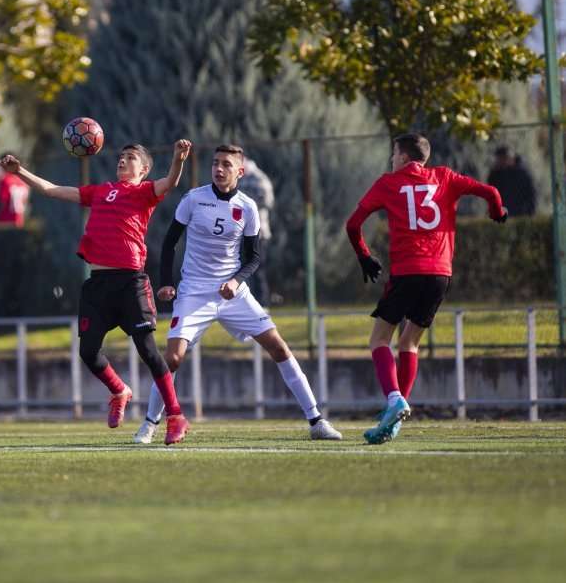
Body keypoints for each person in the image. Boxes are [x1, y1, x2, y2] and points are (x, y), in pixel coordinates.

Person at [133, 144, 342, 444]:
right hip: (194, 292)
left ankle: (317, 421)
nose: (219, 169)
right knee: (173, 358)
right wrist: (166, 282)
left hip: (234, 293)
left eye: (227, 165)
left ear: (240, 171)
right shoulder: (194, 199)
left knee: (279, 348)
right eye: (216, 163)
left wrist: (234, 281)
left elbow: (254, 258)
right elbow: (169, 244)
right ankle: (150, 424)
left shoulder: (248, 207)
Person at [0, 140, 193, 445]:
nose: (123, 160)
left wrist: (178, 159)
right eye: (121, 156)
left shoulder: (143, 192)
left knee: (149, 352)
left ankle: (176, 417)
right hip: (98, 285)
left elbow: (171, 181)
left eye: (130, 158)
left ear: (143, 170)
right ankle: (119, 390)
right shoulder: (101, 191)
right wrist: (19, 170)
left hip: (130, 282)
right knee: (87, 352)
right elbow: (51, 190)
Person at [345, 133, 507, 445]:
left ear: (404, 157)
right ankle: (393, 419)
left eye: (394, 154)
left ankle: (393, 400)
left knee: (379, 338)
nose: (392, 160)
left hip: (407, 271)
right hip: (440, 275)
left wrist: (364, 256)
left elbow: (353, 225)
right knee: (410, 343)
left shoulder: (388, 183)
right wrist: (497, 212)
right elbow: (490, 191)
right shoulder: (445, 177)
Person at [237, 156, 274, 306]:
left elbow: (267, 201)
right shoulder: (240, 178)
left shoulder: (258, 178)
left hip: (259, 233)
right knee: (242, 270)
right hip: (241, 233)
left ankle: (262, 304)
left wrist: (247, 205)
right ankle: (246, 303)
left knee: (257, 270)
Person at [486, 145, 537, 216]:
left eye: (504, 158)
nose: (502, 162)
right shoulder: (494, 175)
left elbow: (531, 195)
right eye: (500, 159)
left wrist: (527, 212)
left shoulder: (522, 173)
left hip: (520, 214)